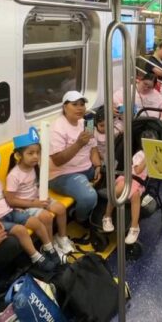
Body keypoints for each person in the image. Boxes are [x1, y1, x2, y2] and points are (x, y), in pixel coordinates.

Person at [0, 148, 62, 273]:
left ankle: (49, 247)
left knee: (35, 222)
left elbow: (4, 199)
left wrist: (15, 208)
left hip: (10, 212)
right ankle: (36, 257)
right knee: (20, 230)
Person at [4, 128, 75, 255]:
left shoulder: (34, 167)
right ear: (19, 155)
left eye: (38, 152)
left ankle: (62, 238)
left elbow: (36, 185)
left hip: (38, 199)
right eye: (30, 153)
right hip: (25, 205)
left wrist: (42, 198)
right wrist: (34, 203)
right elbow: (10, 200)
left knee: (61, 209)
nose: (36, 156)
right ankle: (50, 246)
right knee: (46, 217)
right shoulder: (14, 175)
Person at [48, 91, 101, 226]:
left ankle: (99, 214)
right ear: (65, 107)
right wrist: (78, 144)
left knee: (112, 178)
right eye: (74, 104)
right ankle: (80, 218)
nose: (80, 108)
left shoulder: (85, 123)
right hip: (63, 175)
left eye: (82, 104)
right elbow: (57, 160)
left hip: (87, 168)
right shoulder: (57, 128)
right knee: (89, 197)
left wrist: (98, 166)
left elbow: (93, 148)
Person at [101, 129, 158, 245]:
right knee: (117, 190)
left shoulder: (155, 156)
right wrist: (147, 157)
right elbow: (137, 170)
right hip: (129, 177)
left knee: (136, 195)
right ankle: (107, 216)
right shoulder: (140, 155)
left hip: (139, 183)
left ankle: (134, 227)